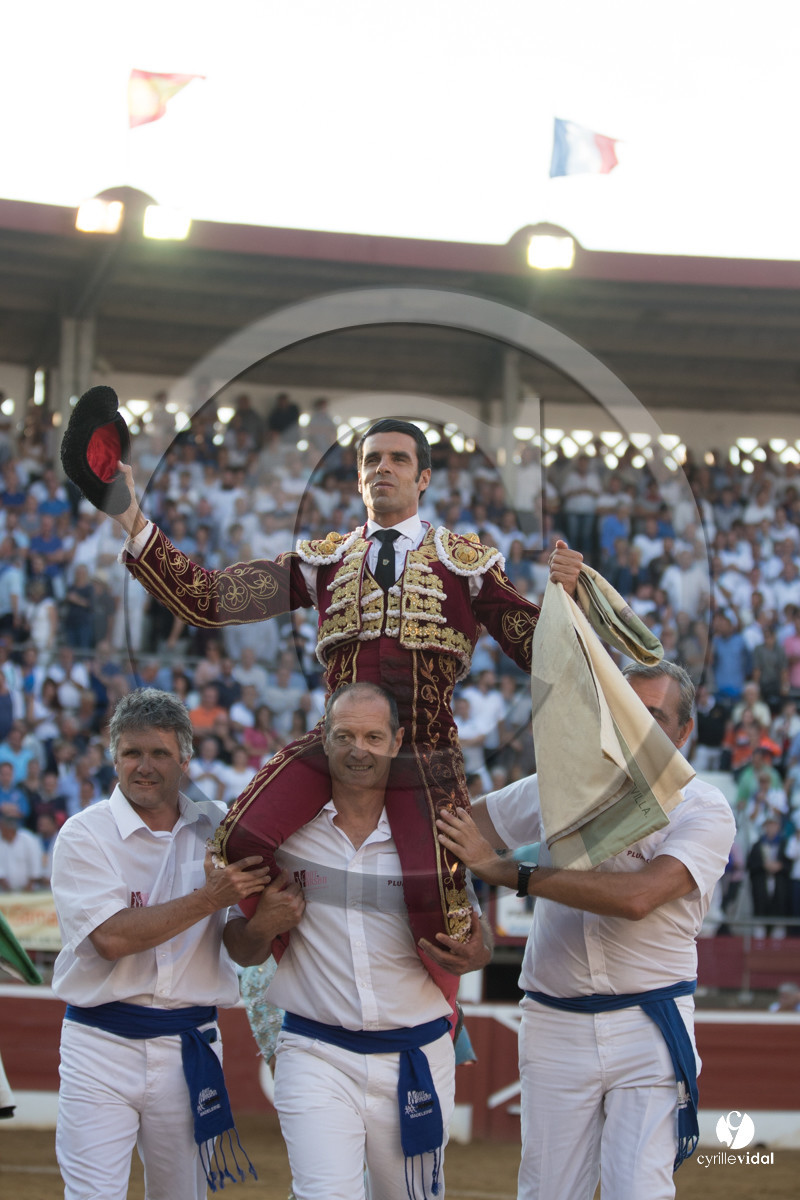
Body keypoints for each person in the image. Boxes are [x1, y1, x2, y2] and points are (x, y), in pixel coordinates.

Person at [110, 416, 581, 1002]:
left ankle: (438, 1021)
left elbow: (540, 651)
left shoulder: (467, 565)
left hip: (423, 748)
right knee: (239, 839)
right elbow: (211, 598)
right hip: (336, 743)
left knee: (442, 911)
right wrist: (130, 516)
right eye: (371, 461)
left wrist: (567, 599)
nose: (382, 468)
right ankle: (281, 937)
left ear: (424, 477)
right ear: (360, 480)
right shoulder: (323, 562)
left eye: (398, 459)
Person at [437, 661, 736, 1200]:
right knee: (548, 1192)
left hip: (650, 1021)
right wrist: (467, 911)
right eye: (624, 712)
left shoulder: (703, 807)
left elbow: (639, 896)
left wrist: (511, 873)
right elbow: (456, 833)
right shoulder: (558, 785)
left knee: (639, 1191)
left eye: (653, 717)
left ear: (684, 731)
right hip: (556, 1020)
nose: (635, 730)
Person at [223, 682, 490, 1200]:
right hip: (314, 1051)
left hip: (416, 1053)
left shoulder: (434, 835)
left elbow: (474, 938)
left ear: (396, 741)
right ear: (324, 739)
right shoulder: (286, 837)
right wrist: (262, 924)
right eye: (344, 735)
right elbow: (240, 947)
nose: (358, 749)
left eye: (373, 736)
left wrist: (477, 954)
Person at [50, 688, 304, 1200]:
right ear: (113, 758)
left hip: (189, 1045)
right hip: (100, 1046)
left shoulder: (222, 828)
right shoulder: (84, 834)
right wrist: (210, 897)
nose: (144, 767)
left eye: (159, 753)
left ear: (185, 759)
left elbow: (243, 950)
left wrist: (264, 924)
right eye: (131, 753)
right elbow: (112, 938)